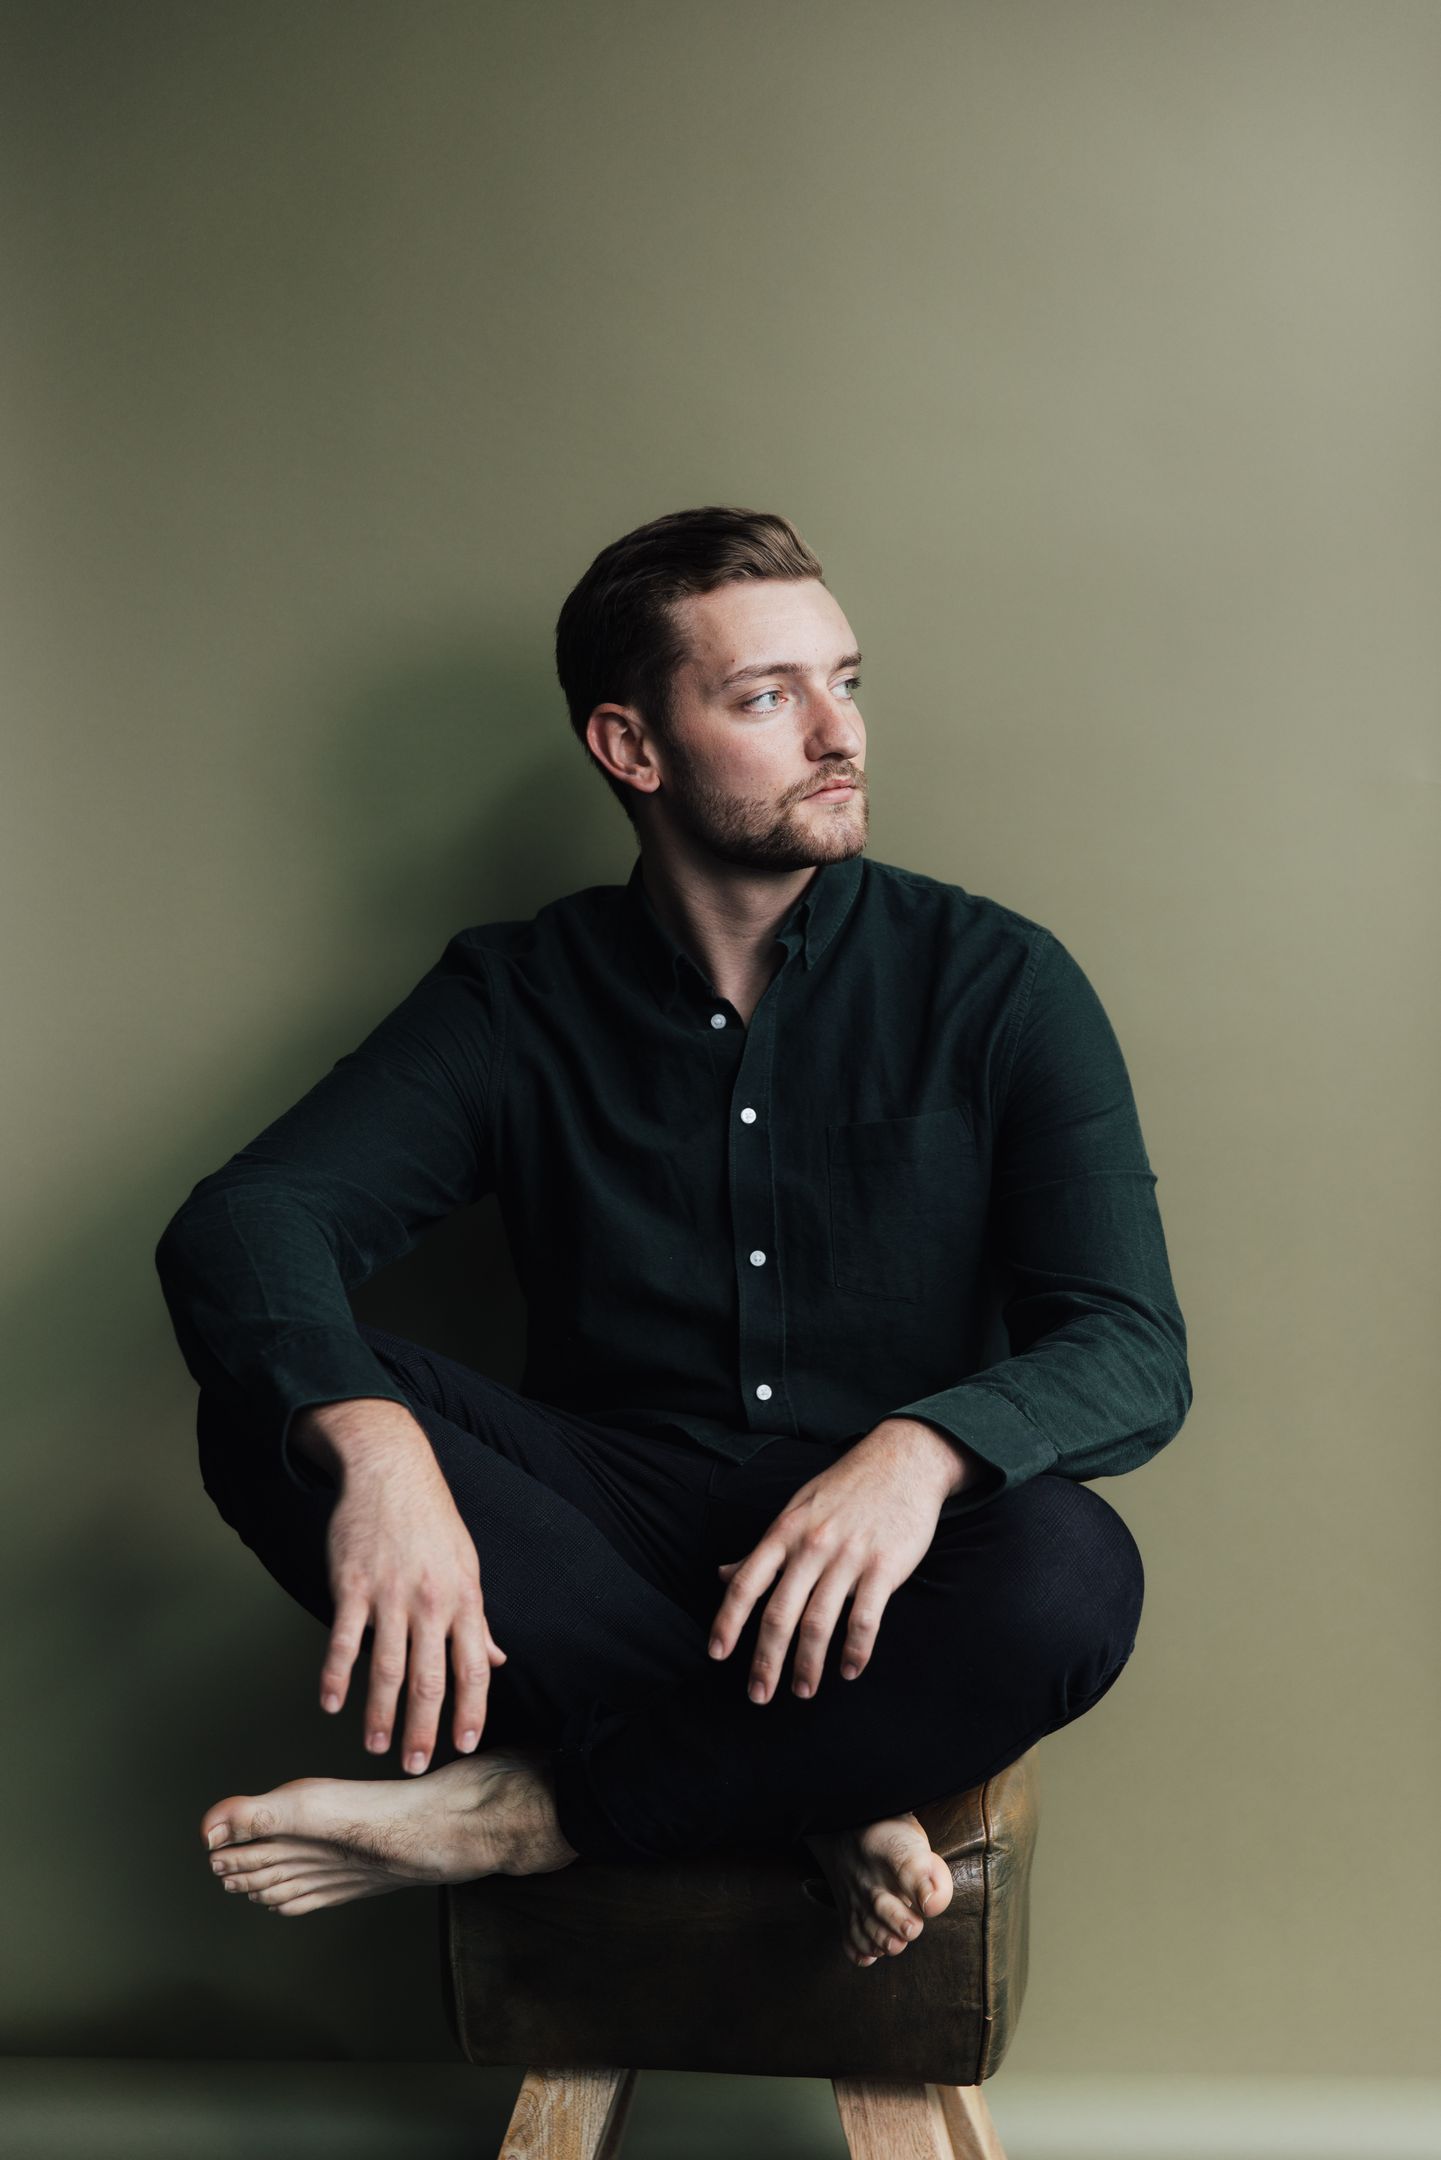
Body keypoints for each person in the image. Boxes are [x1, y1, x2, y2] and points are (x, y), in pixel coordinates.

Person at [155, 505, 1191, 1971]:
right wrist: (377, 1449)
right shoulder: (517, 995)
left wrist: (917, 1455)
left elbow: (1132, 1349)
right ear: (630, 747)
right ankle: (816, 1797)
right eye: (766, 697)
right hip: (598, 1540)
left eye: (845, 681)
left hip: (881, 1575)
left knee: (1070, 1573)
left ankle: (538, 1810)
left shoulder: (998, 983)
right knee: (270, 1413)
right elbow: (249, 1221)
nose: (837, 733)